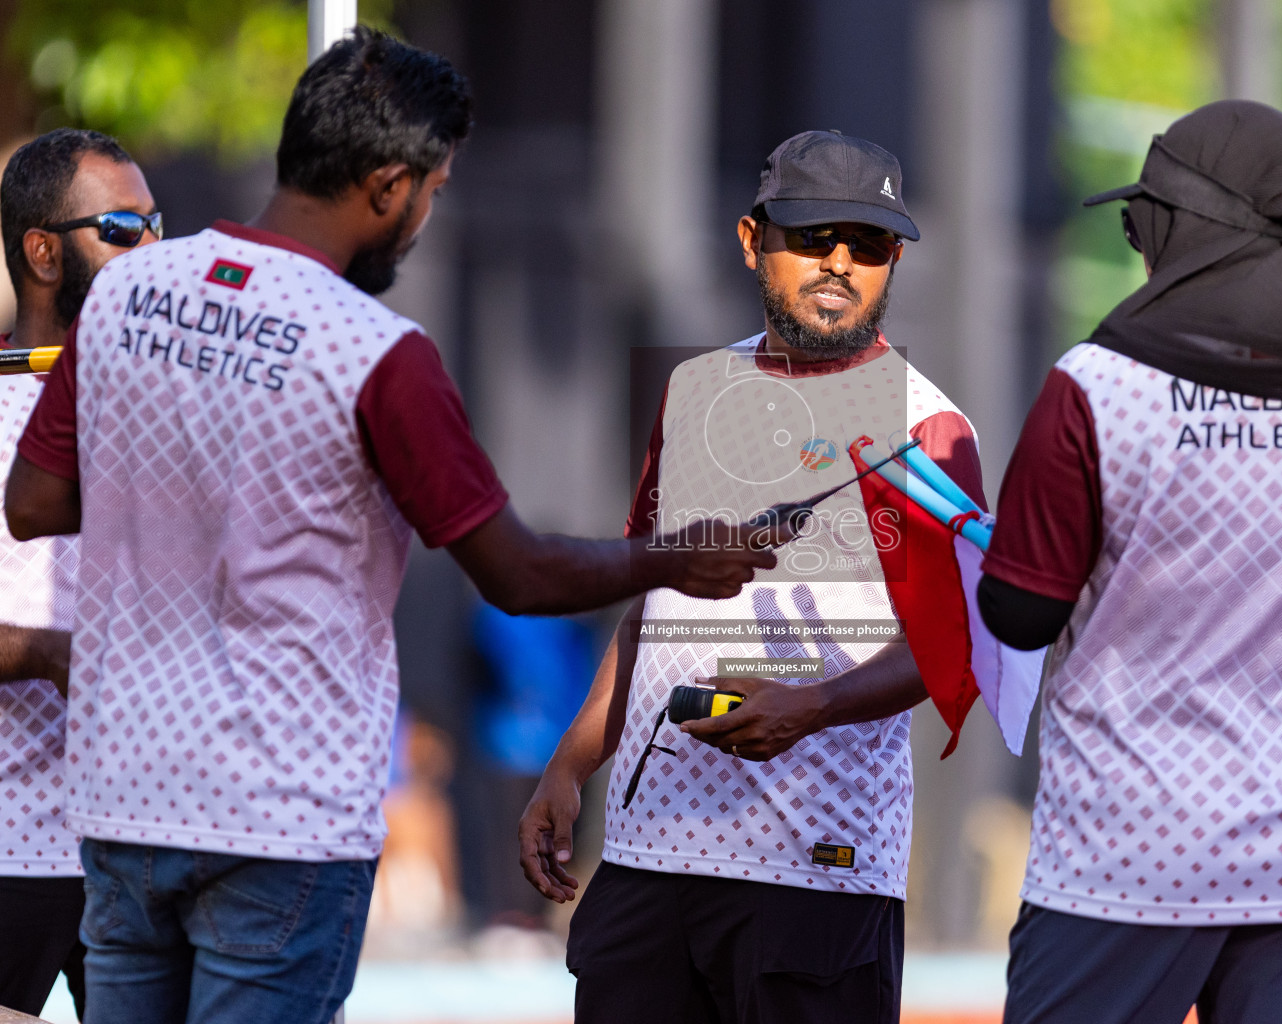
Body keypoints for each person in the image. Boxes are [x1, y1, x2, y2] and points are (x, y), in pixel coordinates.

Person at [3, 29, 776, 1024]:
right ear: (386, 186)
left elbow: (34, 501)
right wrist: (673, 558)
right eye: (433, 191)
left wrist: (185, 485)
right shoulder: (376, 352)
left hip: (123, 800)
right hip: (277, 822)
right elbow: (518, 574)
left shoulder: (125, 300)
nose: (422, 219)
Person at [977, 100, 1282, 1024]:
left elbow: (1020, 614)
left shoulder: (1097, 389)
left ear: (1180, 232)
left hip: (1125, 860)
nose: (1137, 248)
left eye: (1140, 225)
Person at [519, 130, 986, 1024]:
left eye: (871, 244)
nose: (841, 264)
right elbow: (648, 611)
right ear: (750, 241)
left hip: (817, 869)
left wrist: (811, 705)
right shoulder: (693, 390)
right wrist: (572, 765)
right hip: (652, 859)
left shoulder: (926, 426)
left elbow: (952, 648)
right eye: (813, 237)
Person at [0, 127, 159, 1020]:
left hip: (144, 848)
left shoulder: (167, 401)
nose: (155, 249)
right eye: (126, 228)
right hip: (11, 853)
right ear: (43, 252)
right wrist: (53, 653)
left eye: (157, 223)